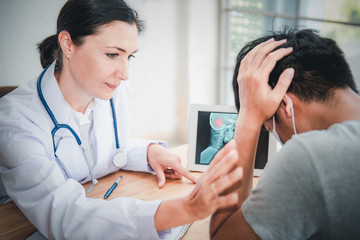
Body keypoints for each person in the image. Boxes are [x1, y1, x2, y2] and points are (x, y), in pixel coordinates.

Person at [0, 0, 243, 239]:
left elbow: (101, 150)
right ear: (68, 45)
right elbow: (66, 215)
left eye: (130, 57)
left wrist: (147, 151)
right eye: (112, 54)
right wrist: (186, 208)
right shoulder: (16, 122)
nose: (125, 74)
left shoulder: (113, 92)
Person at [210, 28, 360, 239]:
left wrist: (249, 118)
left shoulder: (310, 158)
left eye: (270, 128)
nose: (277, 137)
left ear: (284, 104)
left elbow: (223, 236)